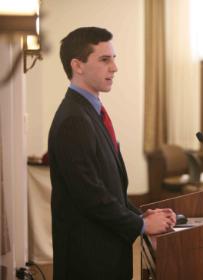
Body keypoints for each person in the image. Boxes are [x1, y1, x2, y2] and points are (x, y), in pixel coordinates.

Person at [48, 27, 176, 280]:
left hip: (104, 254)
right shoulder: (74, 119)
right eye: (105, 59)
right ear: (78, 65)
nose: (114, 67)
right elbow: (90, 195)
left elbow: (108, 186)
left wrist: (139, 215)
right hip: (89, 262)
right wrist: (141, 225)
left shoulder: (88, 111)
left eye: (114, 58)